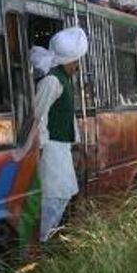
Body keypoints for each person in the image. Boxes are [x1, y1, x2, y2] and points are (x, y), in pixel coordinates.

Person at [33, 27, 87, 242]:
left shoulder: (64, 79)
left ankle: (46, 239)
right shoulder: (52, 81)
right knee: (55, 196)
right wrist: (41, 148)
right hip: (50, 148)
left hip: (61, 147)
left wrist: (76, 141)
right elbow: (39, 115)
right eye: (75, 61)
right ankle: (42, 242)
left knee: (63, 194)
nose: (77, 66)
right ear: (65, 60)